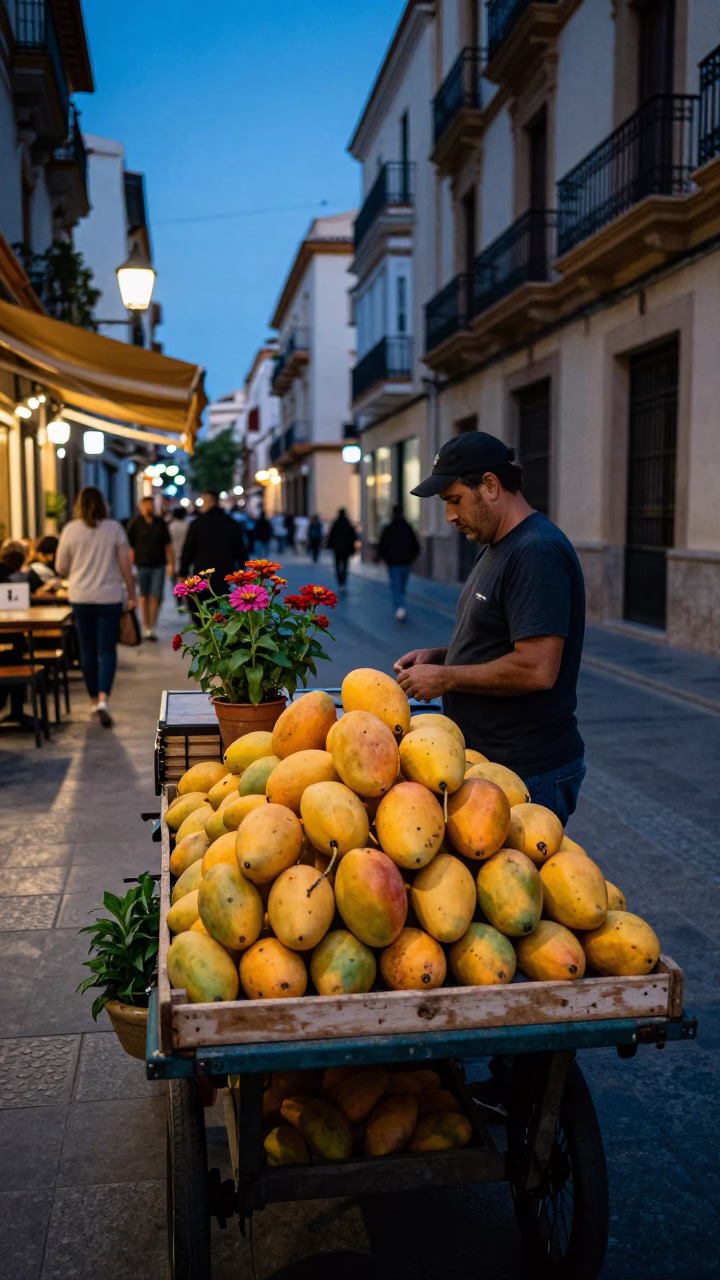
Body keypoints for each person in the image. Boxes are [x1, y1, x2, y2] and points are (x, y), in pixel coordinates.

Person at [394, 431, 586, 825]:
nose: (449, 516)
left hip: (526, 770)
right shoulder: (499, 546)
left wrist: (446, 678)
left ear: (491, 486)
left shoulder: (536, 552)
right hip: (494, 762)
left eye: (454, 500)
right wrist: (442, 655)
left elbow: (537, 667)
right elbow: (502, 638)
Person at [55, 486, 136, 728]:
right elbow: (125, 566)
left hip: (80, 596)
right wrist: (131, 595)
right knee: (107, 651)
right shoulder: (114, 529)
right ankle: (103, 700)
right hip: (109, 596)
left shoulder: (70, 530)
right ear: (103, 504)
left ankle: (92, 701)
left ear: (78, 505)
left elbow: (60, 568)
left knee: (87, 651)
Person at [179, 490, 247, 595]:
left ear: (206, 502)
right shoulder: (230, 522)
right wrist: (242, 568)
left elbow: (189, 549)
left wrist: (183, 571)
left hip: (203, 571)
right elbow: (240, 547)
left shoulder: (197, 523)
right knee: (223, 604)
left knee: (204, 605)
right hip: (225, 570)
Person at [126, 496, 174, 640]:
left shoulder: (160, 523)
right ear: (141, 507)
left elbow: (168, 545)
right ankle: (145, 625)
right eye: (146, 505)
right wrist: (130, 565)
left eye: (151, 505)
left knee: (155, 597)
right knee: (142, 596)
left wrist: (171, 565)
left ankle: (152, 626)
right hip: (141, 564)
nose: (149, 508)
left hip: (159, 564)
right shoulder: (135, 523)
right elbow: (130, 547)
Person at [377, 504, 420, 622]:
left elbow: (383, 545)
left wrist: (384, 557)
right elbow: (415, 545)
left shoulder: (389, 528)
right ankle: (400, 605)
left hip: (394, 563)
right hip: (406, 562)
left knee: (396, 585)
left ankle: (400, 607)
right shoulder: (408, 527)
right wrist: (412, 557)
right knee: (401, 585)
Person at [326, 508, 356, 589]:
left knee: (337, 565)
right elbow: (353, 538)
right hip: (346, 549)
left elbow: (331, 536)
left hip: (337, 549)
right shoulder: (348, 524)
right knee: (345, 565)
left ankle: (340, 581)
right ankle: (344, 580)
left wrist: (329, 546)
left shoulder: (336, 524)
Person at [166, 506, 188, 599]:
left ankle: (178, 596)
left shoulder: (170, 526)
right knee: (185, 577)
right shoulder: (187, 525)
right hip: (185, 554)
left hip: (173, 554)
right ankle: (186, 595)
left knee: (175, 579)